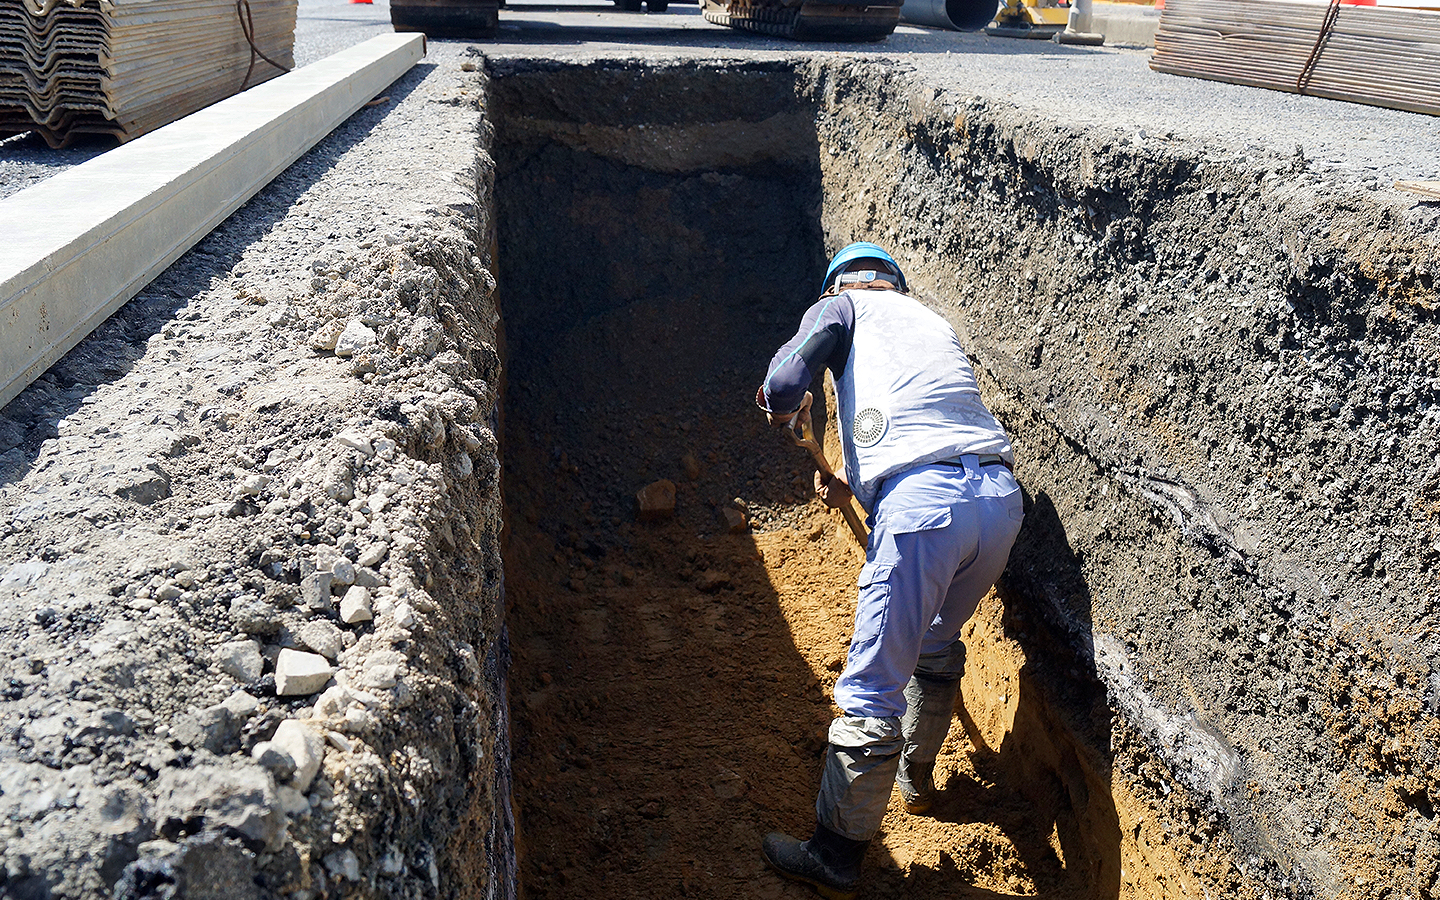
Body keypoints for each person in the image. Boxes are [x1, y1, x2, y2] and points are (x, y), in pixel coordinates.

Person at [755, 242, 1025, 900]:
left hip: (923, 511)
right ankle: (917, 780)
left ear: (837, 288)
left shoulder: (839, 308)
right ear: (895, 283)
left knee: (872, 685)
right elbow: (923, 416)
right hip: (995, 500)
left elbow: (788, 379)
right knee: (935, 637)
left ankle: (835, 855)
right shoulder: (927, 321)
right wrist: (855, 475)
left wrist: (781, 408)